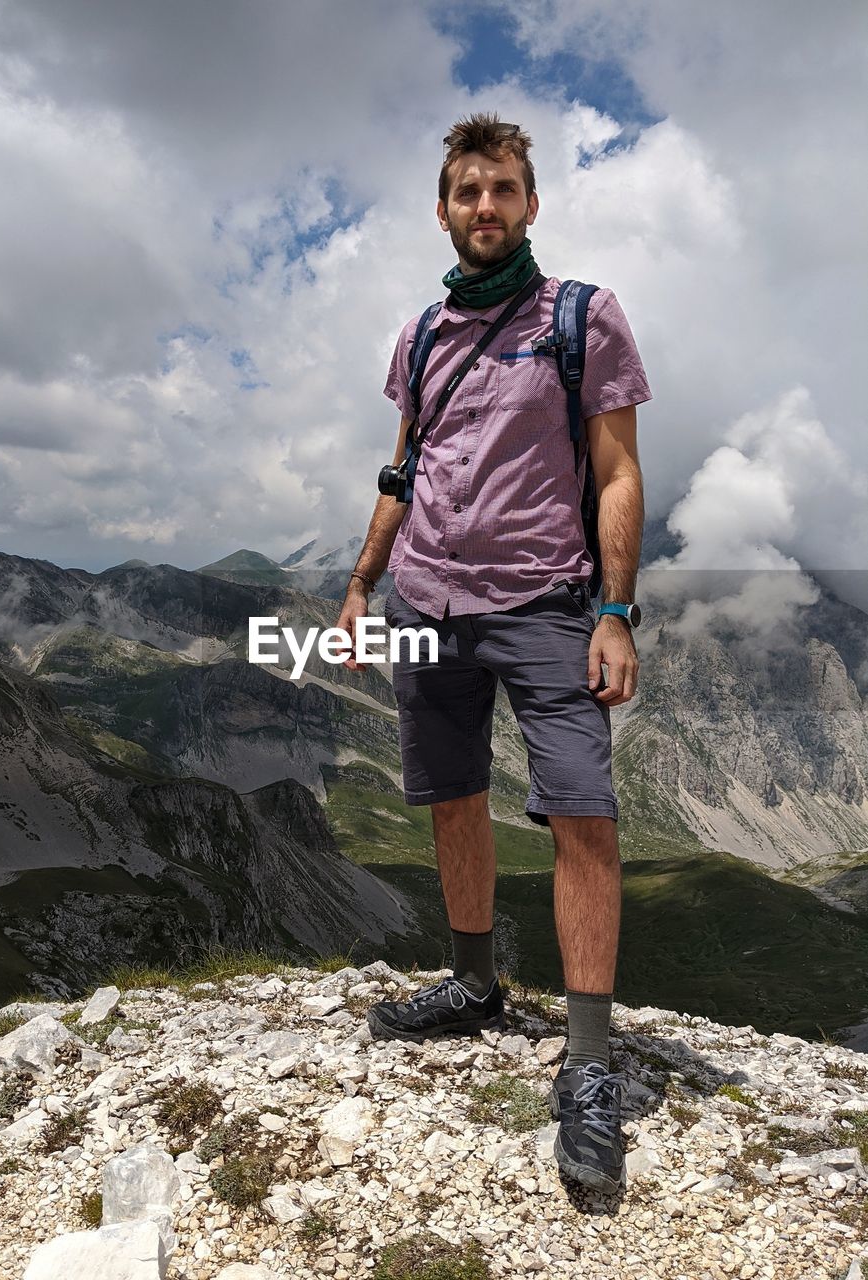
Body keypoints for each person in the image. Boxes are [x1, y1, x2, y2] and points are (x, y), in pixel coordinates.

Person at [335, 113, 651, 1195]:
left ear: (529, 203)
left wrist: (614, 609)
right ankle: (473, 983)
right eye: (467, 191)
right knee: (451, 791)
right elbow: (401, 473)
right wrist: (361, 582)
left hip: (546, 602)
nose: (485, 208)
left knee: (581, 808)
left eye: (503, 189)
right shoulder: (419, 336)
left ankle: (591, 1061)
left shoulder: (579, 317)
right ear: (442, 207)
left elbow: (614, 473)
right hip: (427, 596)